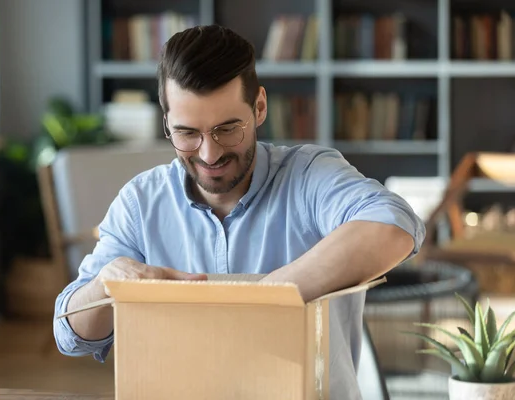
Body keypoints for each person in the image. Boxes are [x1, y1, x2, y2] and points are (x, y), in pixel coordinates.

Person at [54, 25, 425, 399]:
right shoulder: (140, 203)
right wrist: (105, 284)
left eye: (227, 129)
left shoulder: (310, 175)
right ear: (166, 122)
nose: (208, 154)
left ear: (259, 107)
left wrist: (264, 299)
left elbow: (394, 224)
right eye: (187, 133)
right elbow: (70, 335)